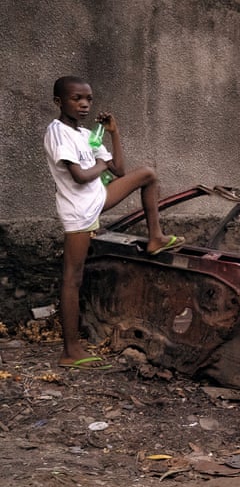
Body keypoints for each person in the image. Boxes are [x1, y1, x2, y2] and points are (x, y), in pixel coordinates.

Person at [44, 76, 183, 370]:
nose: (83, 104)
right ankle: (70, 351)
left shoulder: (85, 134)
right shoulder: (57, 133)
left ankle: (155, 237)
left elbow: (119, 170)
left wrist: (113, 133)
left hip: (98, 197)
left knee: (146, 174)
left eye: (88, 99)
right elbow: (80, 176)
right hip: (79, 211)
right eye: (76, 99)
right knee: (73, 278)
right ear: (59, 102)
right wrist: (102, 165)